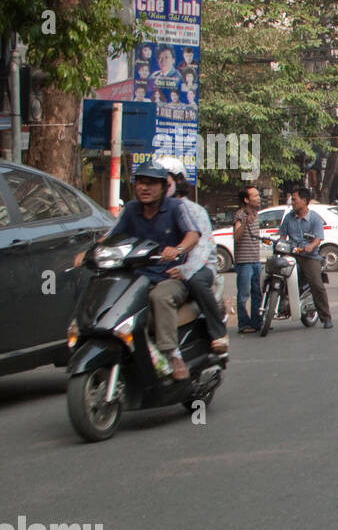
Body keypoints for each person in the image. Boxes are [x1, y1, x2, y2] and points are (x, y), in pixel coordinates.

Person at [75, 161, 201, 380]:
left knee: (160, 297)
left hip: (169, 276)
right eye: (141, 182)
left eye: (151, 183)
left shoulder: (175, 208)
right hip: (136, 277)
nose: (145, 188)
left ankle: (172, 353)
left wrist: (178, 249)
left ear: (163, 187)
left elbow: (193, 235)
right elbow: (111, 235)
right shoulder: (131, 209)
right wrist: (89, 252)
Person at [153, 156, 229, 354]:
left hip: (200, 267)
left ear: (178, 181)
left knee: (196, 280)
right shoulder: (150, 212)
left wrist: (185, 269)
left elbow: (202, 249)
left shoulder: (195, 211)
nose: (157, 188)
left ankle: (218, 331)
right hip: (166, 270)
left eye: (163, 182)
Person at [277, 188, 333, 328]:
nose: (292, 202)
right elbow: (283, 236)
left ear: (304, 201)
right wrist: (280, 244)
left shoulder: (314, 218)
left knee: (317, 285)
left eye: (294, 199)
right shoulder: (288, 217)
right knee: (276, 274)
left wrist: (311, 246)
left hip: (309, 257)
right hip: (291, 255)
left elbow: (318, 238)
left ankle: (326, 317)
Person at [233, 185, 264, 334]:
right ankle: (244, 324)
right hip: (244, 262)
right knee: (244, 294)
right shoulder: (240, 215)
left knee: (257, 293)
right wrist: (245, 223)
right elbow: (236, 236)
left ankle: (256, 322)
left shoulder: (257, 214)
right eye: (255, 196)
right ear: (246, 200)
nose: (259, 198)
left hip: (256, 260)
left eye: (258, 195)